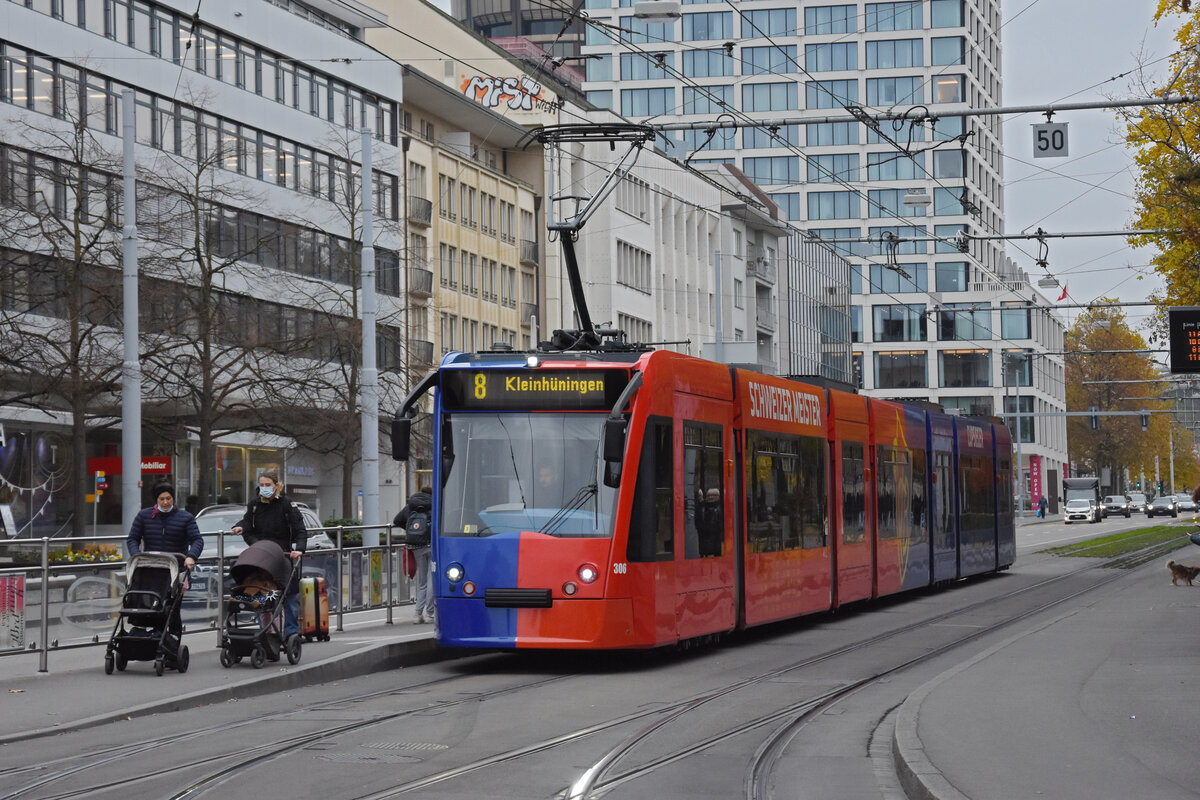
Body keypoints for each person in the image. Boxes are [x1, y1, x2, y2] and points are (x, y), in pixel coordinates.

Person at [231, 471, 306, 638]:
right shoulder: (255, 504)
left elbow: (300, 530)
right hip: (261, 557)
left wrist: (299, 549)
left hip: (283, 555)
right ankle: (267, 633)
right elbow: (247, 524)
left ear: (276, 485)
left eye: (268, 485)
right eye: (261, 485)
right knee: (261, 595)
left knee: (289, 596)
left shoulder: (286, 504)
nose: (264, 488)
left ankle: (290, 633)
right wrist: (248, 535)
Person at [126, 482, 203, 638]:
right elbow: (132, 538)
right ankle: (154, 639)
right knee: (151, 606)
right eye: (162, 499)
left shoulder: (185, 517)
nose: (166, 502)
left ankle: (172, 643)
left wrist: (191, 556)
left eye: (169, 498)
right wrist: (136, 556)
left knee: (172, 609)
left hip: (176, 571)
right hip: (150, 570)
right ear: (156, 500)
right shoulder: (144, 516)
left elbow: (197, 540)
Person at [394, 485, 434, 624]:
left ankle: (417, 614)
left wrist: (411, 530)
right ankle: (430, 614)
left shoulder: (411, 505)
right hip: (431, 545)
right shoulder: (434, 503)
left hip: (415, 546)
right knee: (432, 580)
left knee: (422, 582)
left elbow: (397, 520)